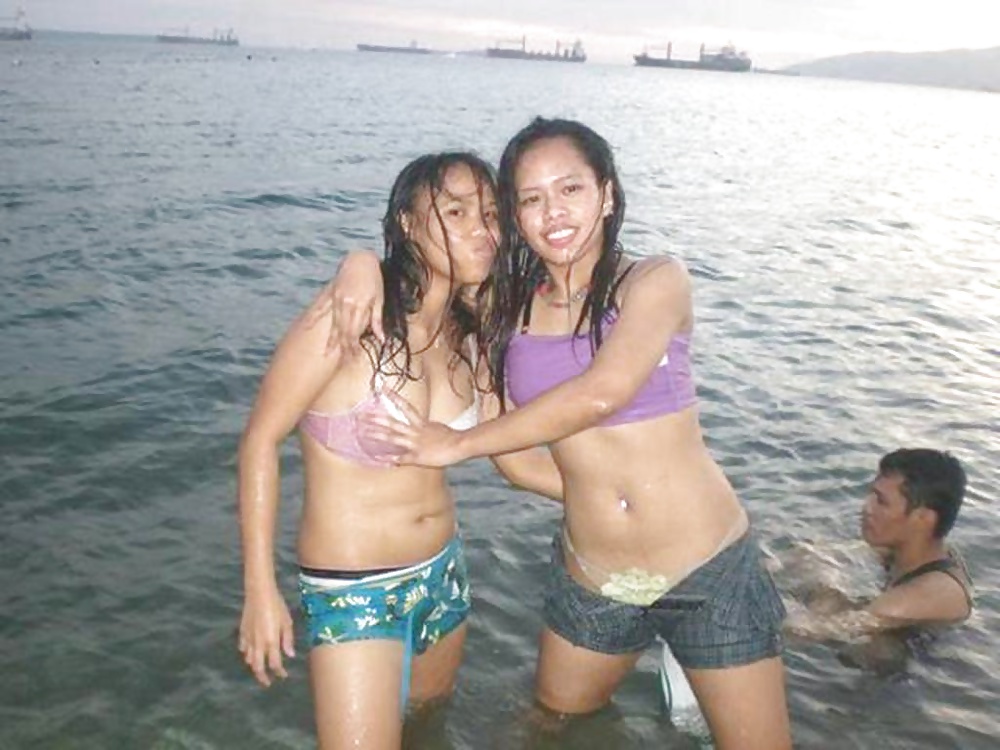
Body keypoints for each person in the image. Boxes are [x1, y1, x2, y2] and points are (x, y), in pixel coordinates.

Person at [322, 118, 791, 750]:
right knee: (551, 729)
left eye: (570, 189)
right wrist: (359, 265)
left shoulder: (654, 281)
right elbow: (517, 460)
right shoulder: (505, 309)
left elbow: (603, 392)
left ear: (607, 194)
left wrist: (455, 443)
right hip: (596, 577)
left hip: (705, 566)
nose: (553, 212)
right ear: (516, 217)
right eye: (531, 199)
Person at [236, 151, 561, 750]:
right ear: (408, 224)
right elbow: (260, 438)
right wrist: (260, 590)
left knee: (427, 732)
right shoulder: (350, 316)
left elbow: (514, 460)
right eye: (456, 212)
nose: (482, 230)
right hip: (353, 586)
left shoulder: (470, 334)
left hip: (443, 575)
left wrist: (611, 500)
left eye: (491, 214)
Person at [785, 448, 973, 641]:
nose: (867, 507)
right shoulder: (922, 550)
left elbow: (807, 631)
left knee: (875, 647)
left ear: (923, 519)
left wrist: (821, 591)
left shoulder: (917, 598)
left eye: (881, 502)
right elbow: (819, 555)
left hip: (916, 655)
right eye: (871, 495)